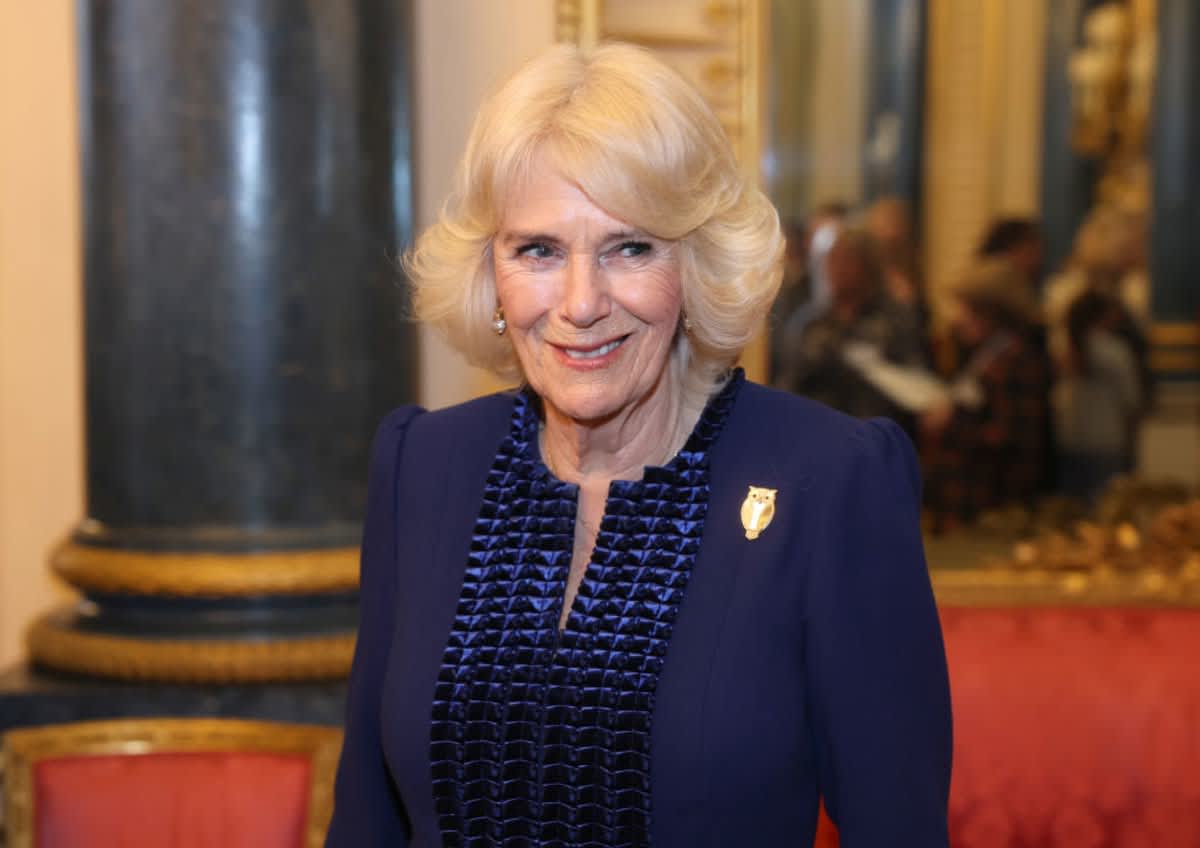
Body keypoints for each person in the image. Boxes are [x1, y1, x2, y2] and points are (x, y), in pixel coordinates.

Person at [327, 43, 951, 847]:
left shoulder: (830, 481)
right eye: (539, 250)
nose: (582, 303)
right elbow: (366, 820)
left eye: (631, 247)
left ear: (696, 267)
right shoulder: (422, 468)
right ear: (492, 274)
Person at [922, 258, 1050, 531]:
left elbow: (1009, 438)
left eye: (966, 310)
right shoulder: (985, 356)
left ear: (991, 313)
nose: (958, 319)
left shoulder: (1015, 361)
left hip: (990, 508)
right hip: (964, 501)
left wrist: (950, 423)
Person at [776, 226, 928, 433]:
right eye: (832, 260)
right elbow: (789, 381)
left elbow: (914, 378)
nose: (837, 269)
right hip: (816, 431)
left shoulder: (894, 319)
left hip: (876, 432)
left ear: (868, 265)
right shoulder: (811, 322)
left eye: (846, 260)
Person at [1053, 289, 1145, 499]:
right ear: (1105, 315)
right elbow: (1131, 398)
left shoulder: (1064, 347)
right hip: (1107, 438)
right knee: (1106, 508)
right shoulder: (1115, 350)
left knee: (1070, 509)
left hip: (1069, 436)